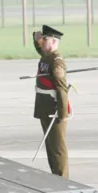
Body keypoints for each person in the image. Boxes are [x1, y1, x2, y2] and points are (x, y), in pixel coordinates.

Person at [32, 25, 69, 179]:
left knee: (58, 149)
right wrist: (36, 39)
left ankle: (63, 180)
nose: (42, 41)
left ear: (53, 42)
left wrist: (62, 114)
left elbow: (61, 89)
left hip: (54, 110)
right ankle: (56, 177)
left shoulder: (56, 62)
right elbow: (40, 49)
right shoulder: (47, 56)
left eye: (45, 39)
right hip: (45, 108)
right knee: (50, 147)